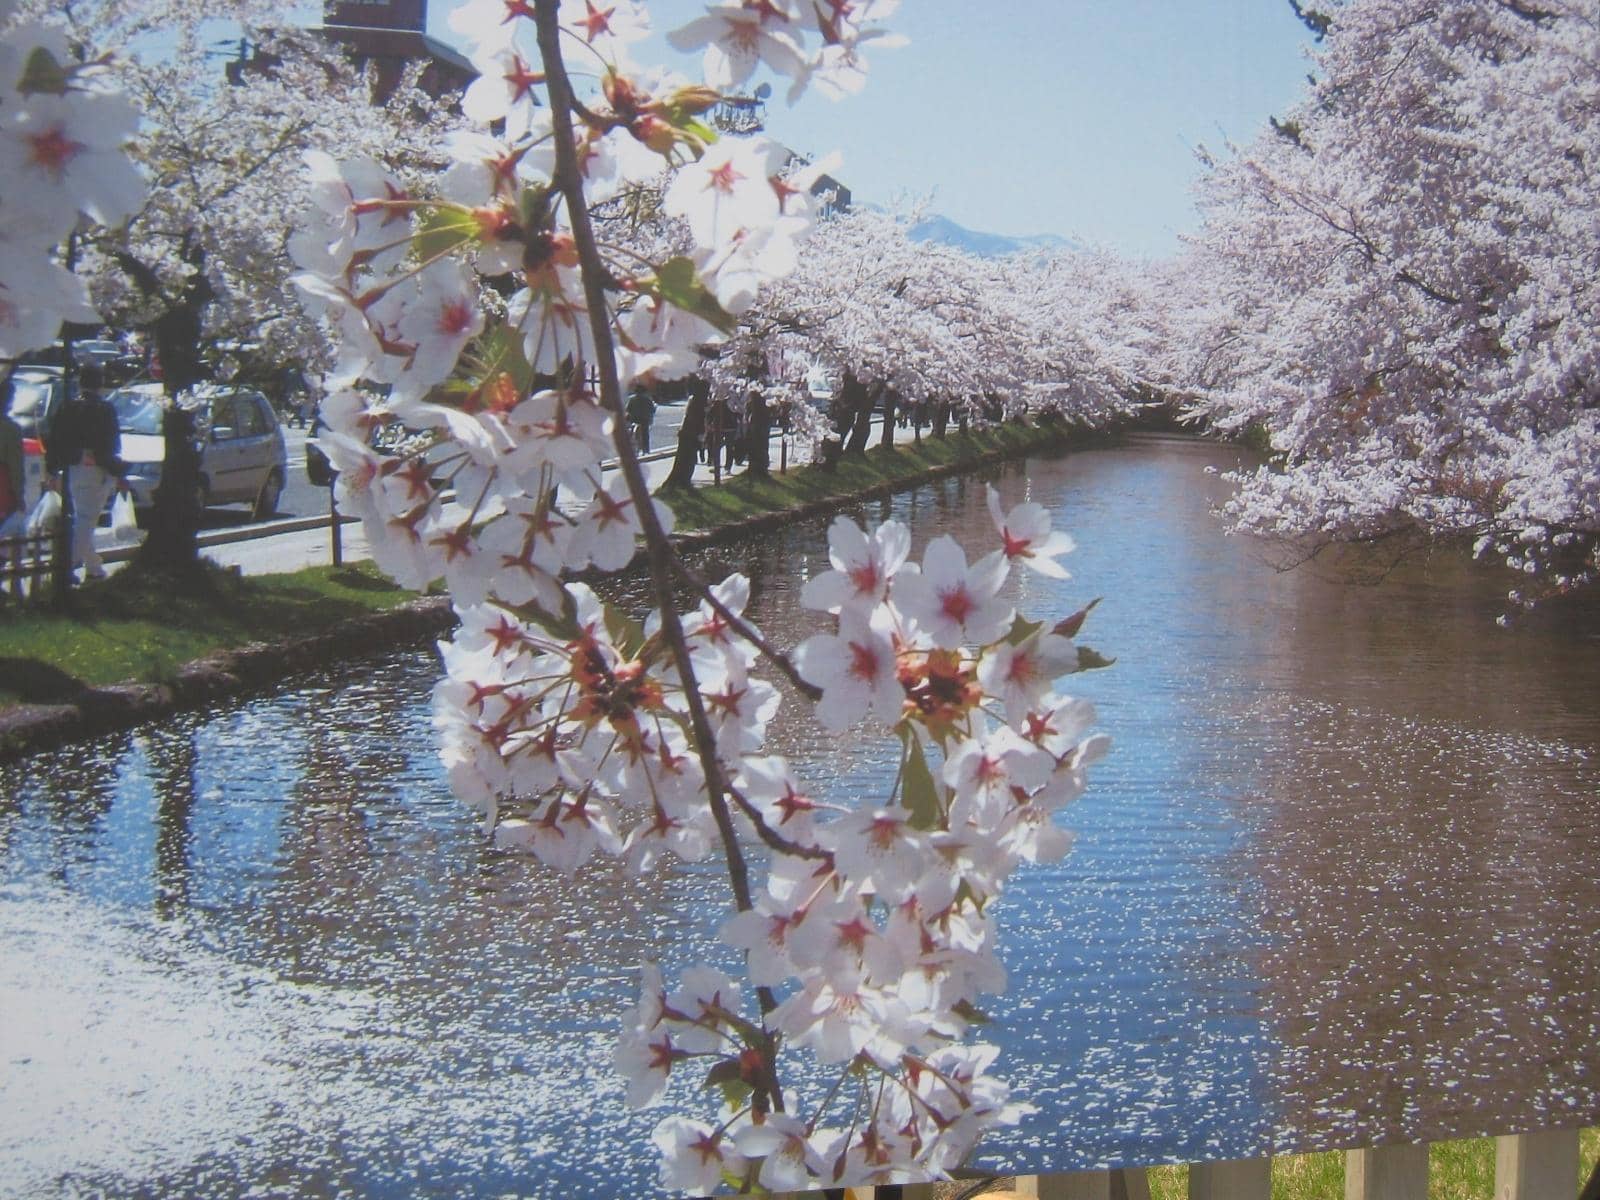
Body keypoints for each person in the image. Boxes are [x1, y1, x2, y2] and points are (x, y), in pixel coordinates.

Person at [45, 365, 128, 581]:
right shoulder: (104, 409)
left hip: (72, 465)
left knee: (83, 515)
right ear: (99, 383)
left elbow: (55, 439)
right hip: (97, 466)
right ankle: (68, 565)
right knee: (87, 518)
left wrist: (52, 469)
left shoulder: (68, 406)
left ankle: (94, 566)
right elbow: (111, 444)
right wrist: (118, 471)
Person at [625, 386, 656, 452]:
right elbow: (652, 410)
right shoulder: (648, 399)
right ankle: (646, 449)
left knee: (631, 430)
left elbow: (628, 409)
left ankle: (631, 445)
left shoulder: (632, 399)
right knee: (645, 434)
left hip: (634, 418)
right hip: (645, 419)